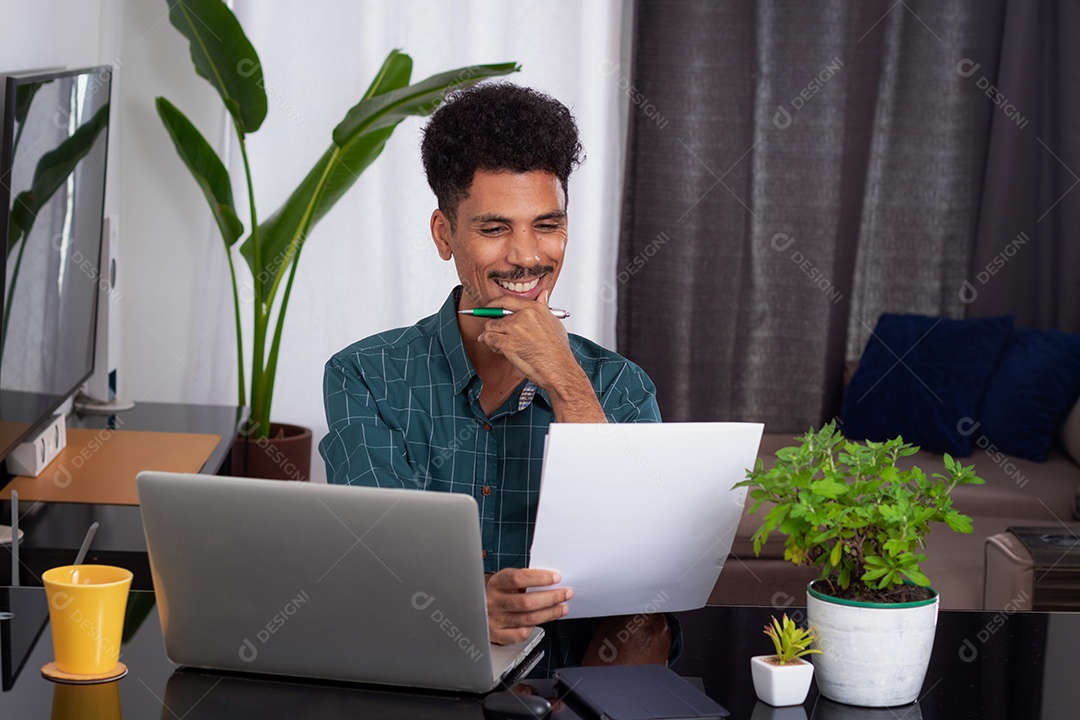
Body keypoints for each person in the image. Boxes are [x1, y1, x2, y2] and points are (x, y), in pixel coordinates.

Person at [319, 82, 675, 672]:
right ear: (444, 235)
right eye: (494, 229)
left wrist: (566, 383)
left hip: (575, 679)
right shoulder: (366, 376)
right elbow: (378, 556)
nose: (527, 255)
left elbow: (642, 573)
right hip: (416, 669)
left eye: (547, 225)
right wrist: (462, 601)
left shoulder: (620, 386)